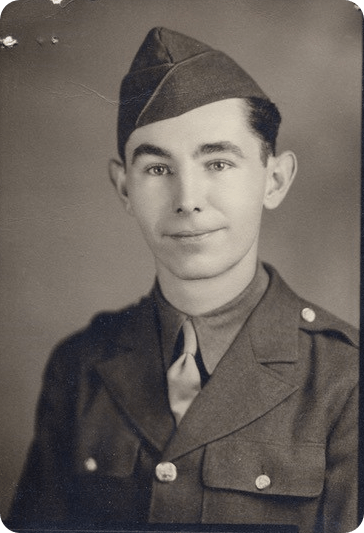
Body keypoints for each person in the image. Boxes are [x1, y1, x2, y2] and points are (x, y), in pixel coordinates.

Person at [7, 27, 358, 533]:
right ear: (124, 188)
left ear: (274, 179)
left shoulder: (345, 380)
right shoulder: (81, 365)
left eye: (217, 162)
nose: (187, 198)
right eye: (156, 169)